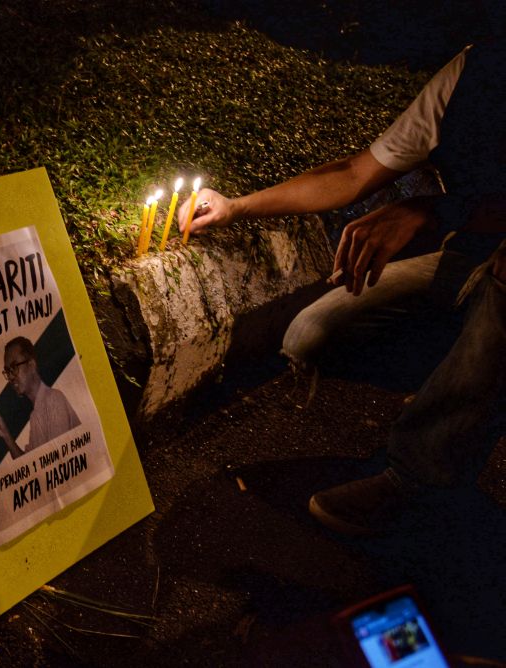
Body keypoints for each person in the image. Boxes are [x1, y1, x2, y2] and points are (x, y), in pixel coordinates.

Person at [179, 39, 506, 536]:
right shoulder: (472, 70)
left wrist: (431, 211)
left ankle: (419, 480)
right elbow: (355, 174)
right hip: (471, 255)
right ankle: (463, 398)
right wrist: (235, 207)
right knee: (312, 335)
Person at [0, 336, 81, 459]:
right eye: (8, 371)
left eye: (14, 367)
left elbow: (57, 463)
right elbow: (30, 464)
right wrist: (5, 434)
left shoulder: (53, 400)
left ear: (31, 365)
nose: (10, 377)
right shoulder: (36, 413)